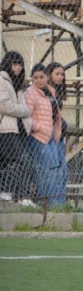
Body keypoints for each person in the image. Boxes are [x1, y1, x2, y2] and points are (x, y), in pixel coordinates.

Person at [25, 63, 64, 208]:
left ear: (47, 77)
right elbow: (26, 116)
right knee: (46, 171)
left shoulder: (50, 91)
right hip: (37, 137)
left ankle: (57, 205)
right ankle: (49, 205)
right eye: (35, 78)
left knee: (55, 170)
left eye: (41, 77)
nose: (39, 80)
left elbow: (55, 114)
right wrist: (39, 127)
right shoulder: (30, 93)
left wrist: (56, 131)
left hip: (50, 137)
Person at [0, 51, 32, 202]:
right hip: (6, 129)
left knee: (19, 162)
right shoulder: (1, 79)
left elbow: (20, 107)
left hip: (19, 129)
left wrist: (25, 116)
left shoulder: (18, 84)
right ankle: (7, 192)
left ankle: (18, 196)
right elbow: (4, 105)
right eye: (15, 64)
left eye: (20, 64)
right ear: (8, 64)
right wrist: (24, 111)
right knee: (18, 160)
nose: (18, 67)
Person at [45, 62, 68, 202]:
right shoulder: (46, 92)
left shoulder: (56, 92)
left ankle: (60, 202)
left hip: (59, 137)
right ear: (49, 75)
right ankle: (54, 202)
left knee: (62, 171)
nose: (60, 77)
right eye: (57, 74)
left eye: (62, 74)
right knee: (55, 170)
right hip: (50, 137)